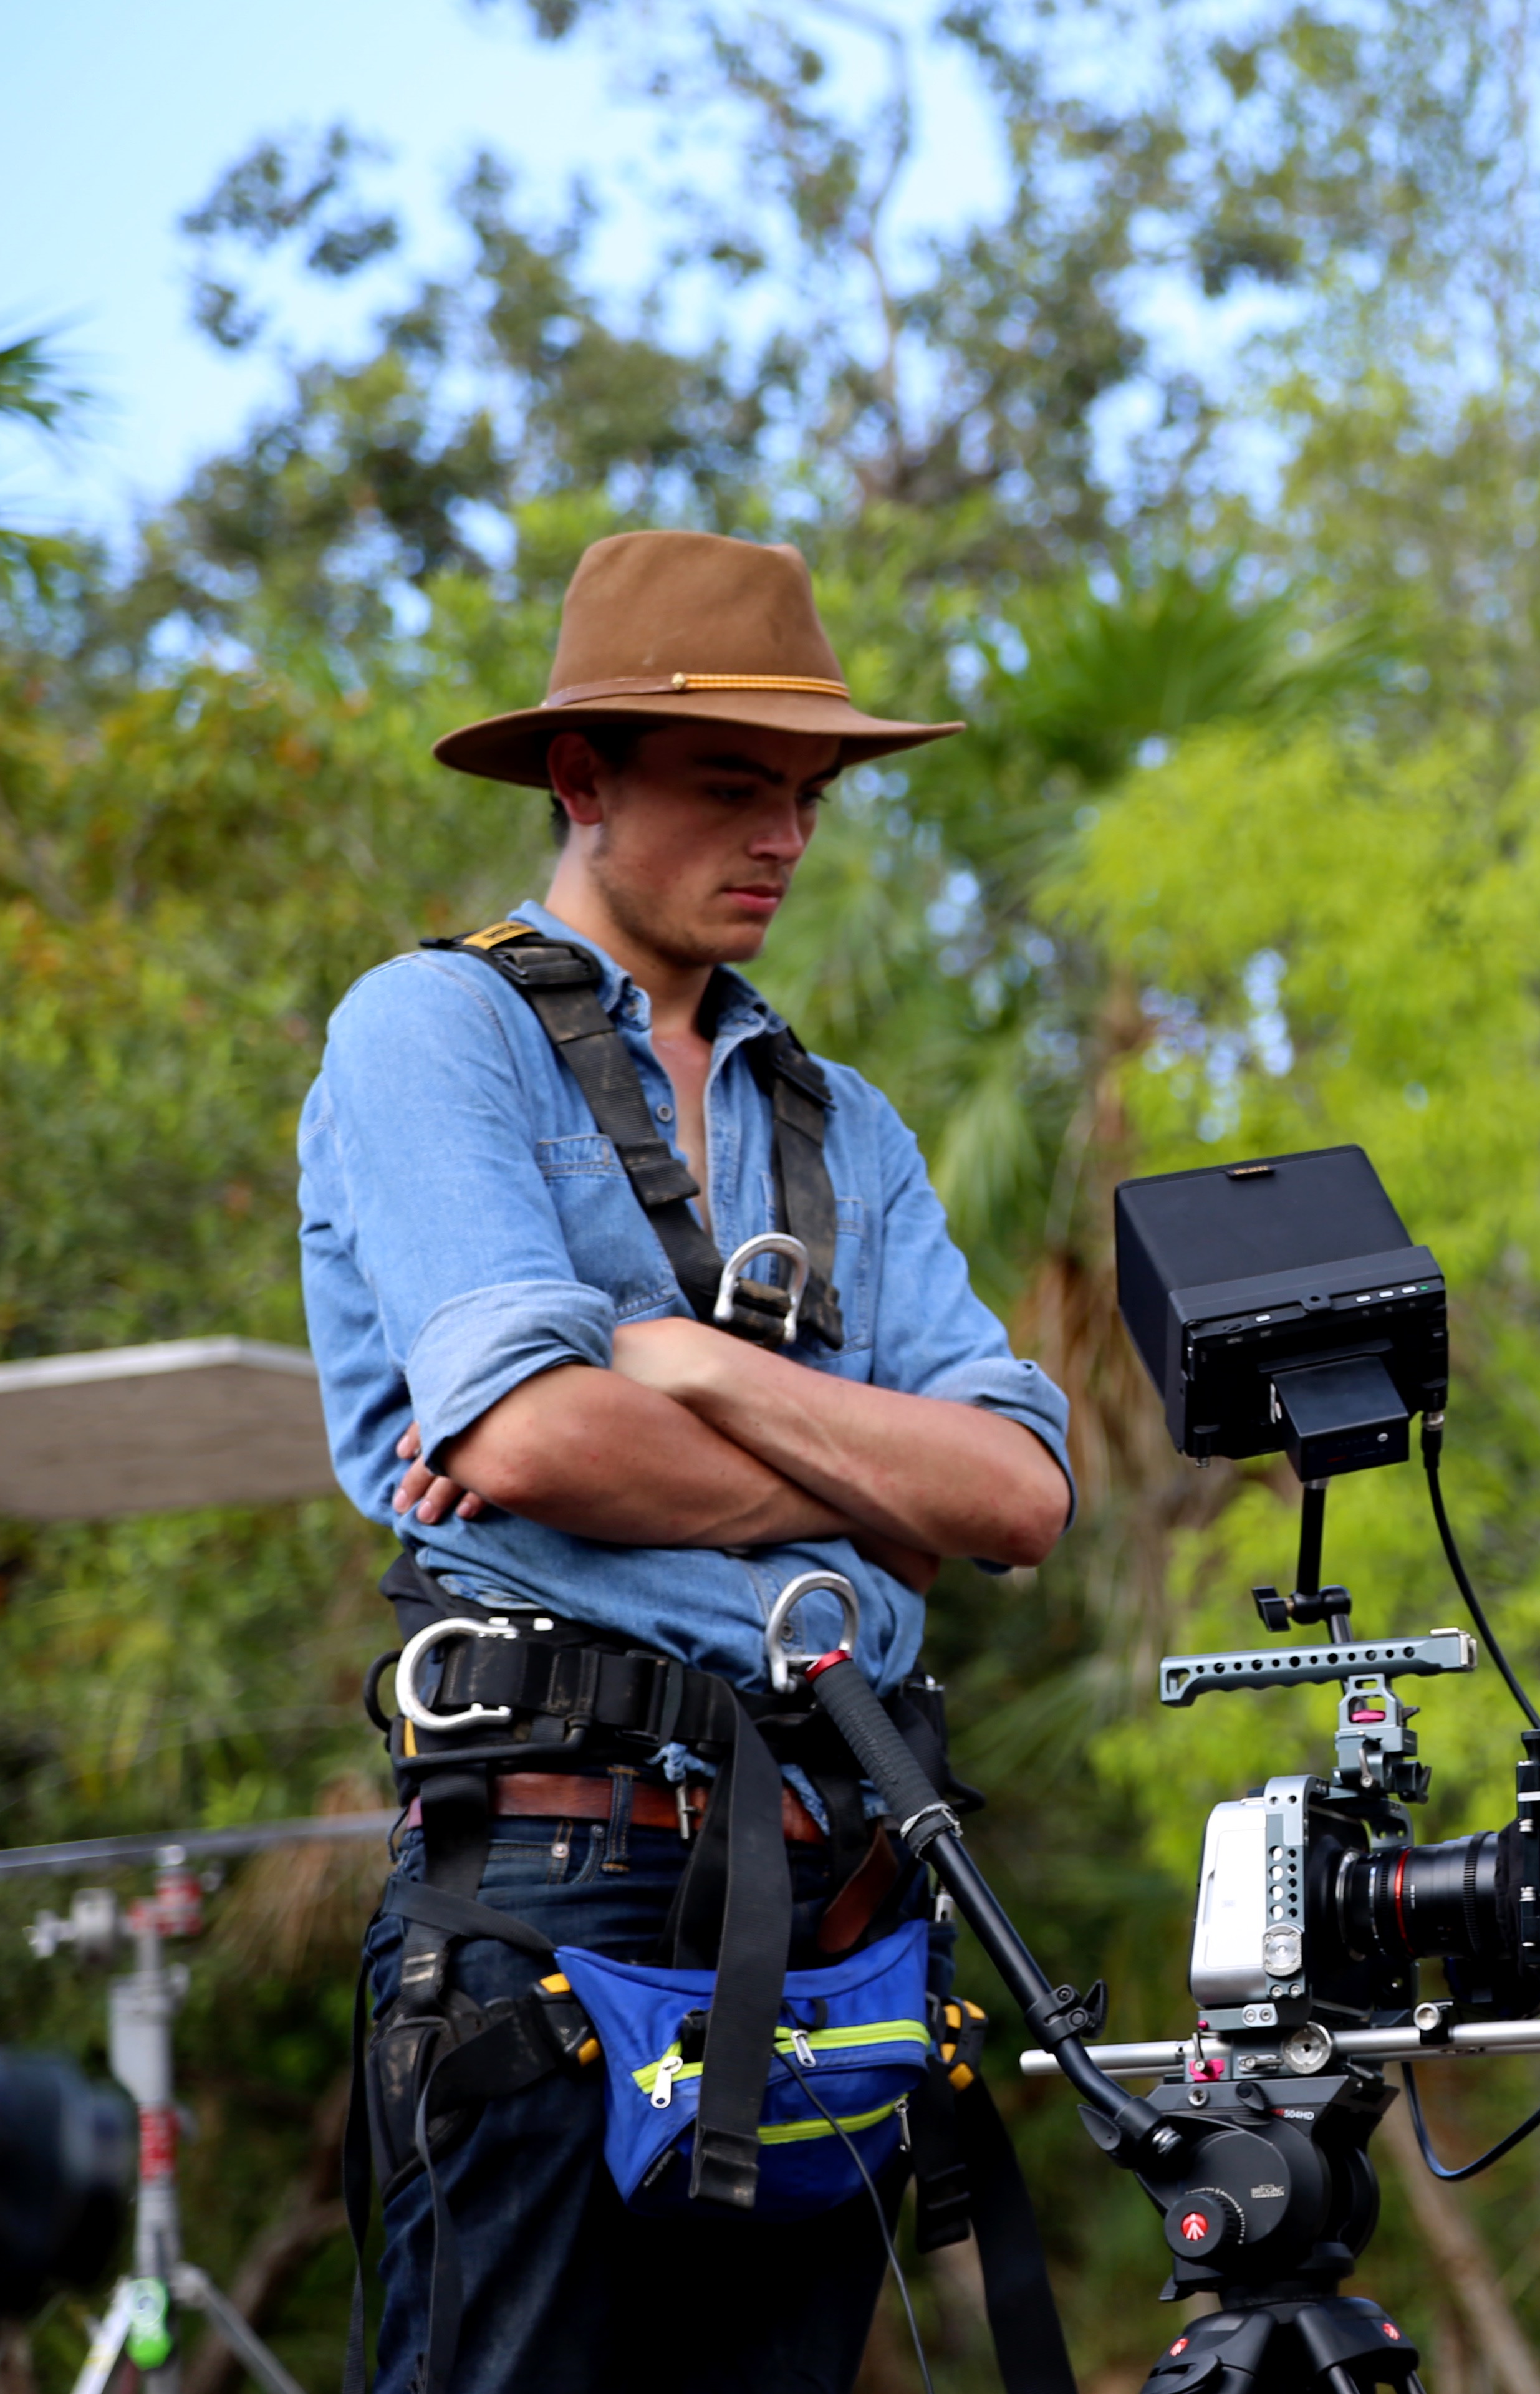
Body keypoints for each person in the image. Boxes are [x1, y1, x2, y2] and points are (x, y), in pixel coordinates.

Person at [299, 531, 1078, 2393]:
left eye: (805, 798)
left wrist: (691, 1374)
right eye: (737, 787)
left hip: (832, 1896)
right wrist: (874, 1477)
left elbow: (1024, 1499)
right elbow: (533, 1430)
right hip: (554, 1895)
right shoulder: (435, 1030)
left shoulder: (846, 1124)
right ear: (583, 781)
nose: (788, 839)